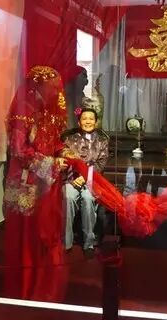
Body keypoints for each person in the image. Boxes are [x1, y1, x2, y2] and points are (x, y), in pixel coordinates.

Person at [3, 65, 69, 301]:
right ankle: (27, 287)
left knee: (46, 231)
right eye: (53, 87)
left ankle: (45, 284)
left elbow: (54, 141)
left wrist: (64, 153)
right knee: (28, 235)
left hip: (46, 182)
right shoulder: (24, 109)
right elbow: (19, 150)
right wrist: (51, 164)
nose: (57, 92)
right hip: (27, 183)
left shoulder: (49, 110)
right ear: (39, 85)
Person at [62, 108, 109, 257]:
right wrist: (73, 177)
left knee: (88, 199)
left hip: (92, 179)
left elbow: (101, 164)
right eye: (84, 118)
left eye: (91, 118)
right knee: (68, 198)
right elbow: (65, 160)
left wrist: (85, 177)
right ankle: (66, 242)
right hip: (72, 179)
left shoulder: (102, 141)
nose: (88, 121)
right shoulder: (69, 139)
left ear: (96, 121)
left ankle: (89, 243)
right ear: (79, 122)